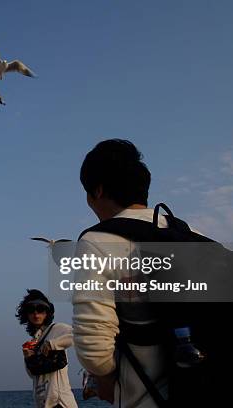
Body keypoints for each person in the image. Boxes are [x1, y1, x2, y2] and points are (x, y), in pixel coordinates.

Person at [72, 139, 169, 407]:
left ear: (98, 191)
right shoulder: (192, 235)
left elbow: (94, 348)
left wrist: (105, 378)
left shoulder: (98, 240)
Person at [16, 289, 78, 408]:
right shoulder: (35, 340)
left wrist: (53, 344)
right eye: (31, 310)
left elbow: (79, 335)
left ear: (47, 312)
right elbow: (33, 376)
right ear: (26, 314)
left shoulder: (57, 329)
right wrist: (28, 359)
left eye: (40, 309)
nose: (36, 314)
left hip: (60, 403)